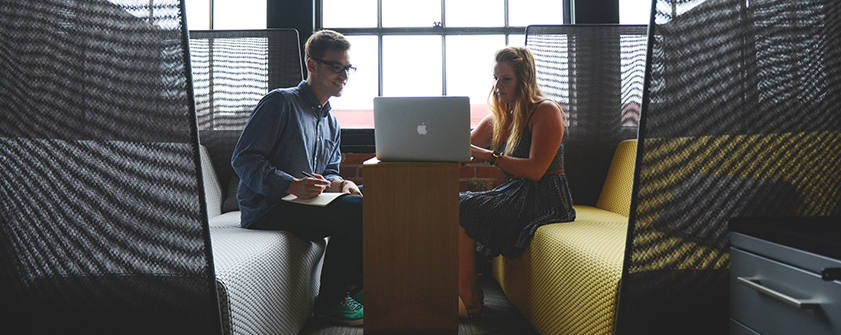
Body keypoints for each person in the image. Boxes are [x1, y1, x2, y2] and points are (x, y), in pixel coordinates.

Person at [230, 29, 365, 326]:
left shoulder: (331, 121)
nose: (344, 75)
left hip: (306, 205)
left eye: (348, 68)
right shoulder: (280, 102)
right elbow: (244, 159)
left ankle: (356, 285)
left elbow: (328, 170)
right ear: (312, 65)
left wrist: (340, 183)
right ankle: (331, 302)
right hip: (268, 207)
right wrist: (290, 185)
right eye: (336, 67)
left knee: (371, 196)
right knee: (359, 211)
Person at [458, 46, 576, 317]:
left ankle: (469, 296)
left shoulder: (545, 111)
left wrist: (490, 157)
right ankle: (468, 290)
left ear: (524, 80)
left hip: (546, 196)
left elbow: (536, 170)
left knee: (463, 208)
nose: (498, 86)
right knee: (458, 204)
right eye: (495, 78)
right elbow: (461, 148)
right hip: (517, 191)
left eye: (506, 79)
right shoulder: (500, 116)